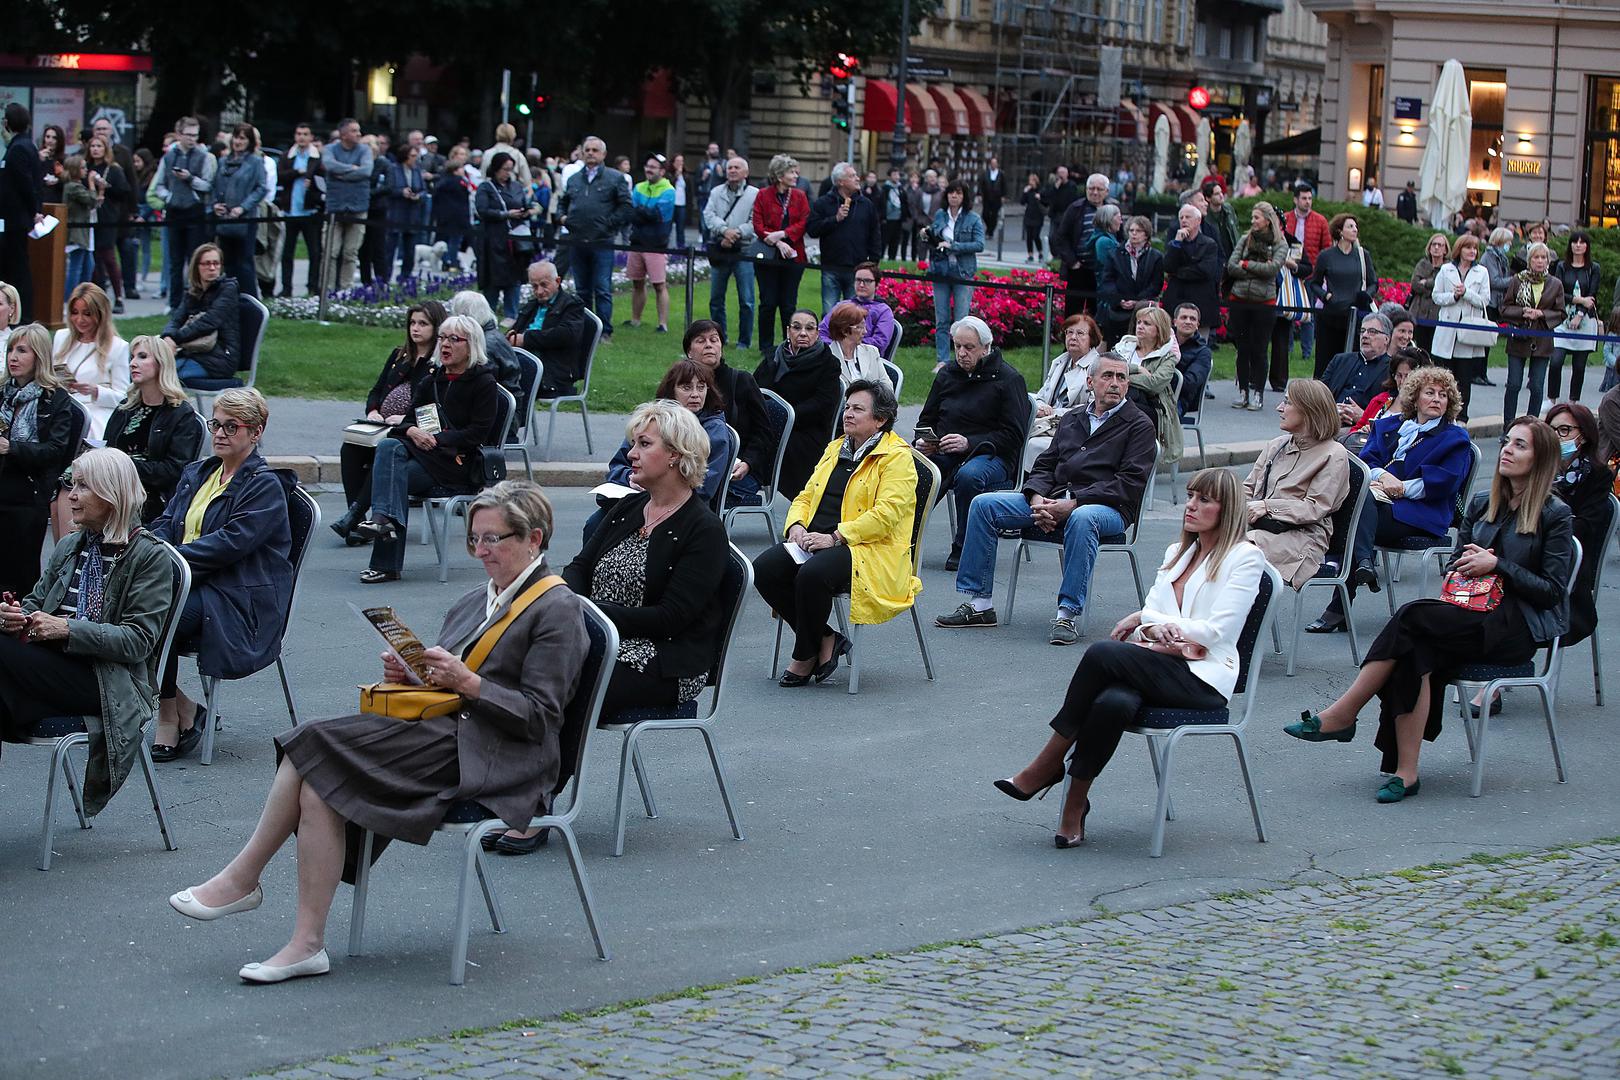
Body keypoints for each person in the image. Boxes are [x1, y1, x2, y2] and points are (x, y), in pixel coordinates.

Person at [168, 479, 588, 976]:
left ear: (534, 540)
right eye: (474, 538)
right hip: (452, 733)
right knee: (318, 774)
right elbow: (452, 677)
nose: (480, 552)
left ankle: (246, 880)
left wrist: (469, 684)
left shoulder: (556, 609)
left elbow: (542, 718)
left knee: (313, 746)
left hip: (499, 757)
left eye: (493, 539)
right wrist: (414, 672)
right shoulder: (484, 596)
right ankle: (304, 942)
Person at [1286, 418, 1573, 804]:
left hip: (1515, 627)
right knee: (1415, 649)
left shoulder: (1555, 514)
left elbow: (1553, 593)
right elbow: (1455, 564)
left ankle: (1344, 713)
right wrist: (1465, 566)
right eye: (1507, 441)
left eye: (1520, 445)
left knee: (1411, 617)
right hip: (1467, 613)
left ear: (1541, 459)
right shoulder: (1483, 504)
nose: (1507, 449)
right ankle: (1406, 774)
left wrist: (1499, 565)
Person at [995, 468, 1267, 845]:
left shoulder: (1245, 559)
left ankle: (1048, 762)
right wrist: (1153, 625)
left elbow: (1219, 630)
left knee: (1103, 652)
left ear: (1229, 509)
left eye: (1204, 500)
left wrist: (1151, 621)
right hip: (1159, 663)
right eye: (1190, 496)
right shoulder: (1177, 553)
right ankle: (1075, 804)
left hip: (1203, 679)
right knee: (1113, 701)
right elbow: (1151, 618)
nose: (1190, 505)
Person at [0, 448, 180, 818]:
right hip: (54, 667)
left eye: (83, 486)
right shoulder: (71, 545)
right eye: (72, 484)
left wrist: (66, 629)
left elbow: (137, 641)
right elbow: (36, 602)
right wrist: (14, 617)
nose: (72, 495)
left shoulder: (149, 556)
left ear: (112, 495)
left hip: (107, 679)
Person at [938, 352, 1155, 644]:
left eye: (1121, 377)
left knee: (1082, 517)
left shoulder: (1139, 425)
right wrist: (1037, 498)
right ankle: (979, 605)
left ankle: (1067, 613)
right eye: (1107, 376)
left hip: (1107, 510)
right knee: (984, 504)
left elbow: (1128, 484)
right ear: (1090, 382)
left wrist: (1073, 502)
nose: (1115, 383)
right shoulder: (1074, 418)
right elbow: (1045, 464)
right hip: (1053, 500)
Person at [147, 388, 293, 760]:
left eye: (232, 426)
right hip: (188, 582)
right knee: (126, 609)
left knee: (151, 617)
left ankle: (168, 714)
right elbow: (166, 522)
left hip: (234, 595)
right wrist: (152, 549)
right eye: (216, 424)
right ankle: (184, 707)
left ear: (256, 433)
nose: (220, 433)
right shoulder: (199, 472)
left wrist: (170, 560)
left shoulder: (264, 485)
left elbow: (230, 545)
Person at [563, 401, 727, 715]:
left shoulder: (704, 530)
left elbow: (671, 618)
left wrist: (591, 616)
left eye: (644, 444)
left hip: (663, 660)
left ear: (675, 455)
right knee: (517, 662)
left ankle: (558, 766)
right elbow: (580, 568)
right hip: (601, 637)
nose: (631, 454)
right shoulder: (629, 507)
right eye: (634, 443)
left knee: (551, 682)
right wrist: (562, 602)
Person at [755, 380, 919, 685]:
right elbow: (806, 495)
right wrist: (796, 525)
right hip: (815, 538)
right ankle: (826, 637)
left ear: (880, 419)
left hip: (867, 546)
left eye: (858, 409)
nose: (848, 414)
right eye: (847, 407)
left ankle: (804, 654)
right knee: (763, 569)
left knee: (812, 575)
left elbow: (886, 515)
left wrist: (835, 537)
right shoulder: (836, 447)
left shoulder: (897, 457)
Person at [1307, 366, 1473, 634]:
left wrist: (1401, 488)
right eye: (1429, 392)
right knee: (1360, 505)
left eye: (1443, 395)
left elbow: (1445, 482)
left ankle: (1346, 570)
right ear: (1415, 398)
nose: (1437, 399)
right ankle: (1361, 566)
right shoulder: (1391, 425)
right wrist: (1384, 477)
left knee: (1359, 510)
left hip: (1422, 512)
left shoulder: (1454, 438)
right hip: (1380, 504)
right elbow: (1366, 461)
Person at [349, 313, 500, 583]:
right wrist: (412, 431)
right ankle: (383, 522)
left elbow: (479, 433)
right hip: (423, 458)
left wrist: (438, 439)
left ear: (471, 345)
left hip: (457, 464)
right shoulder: (432, 380)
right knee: (390, 447)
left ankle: (384, 545)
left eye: (454, 339)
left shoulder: (483, 383)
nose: (445, 344)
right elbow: (406, 422)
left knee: (393, 467)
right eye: (442, 338)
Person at [914, 316, 1031, 569]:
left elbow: (1014, 436)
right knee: (916, 469)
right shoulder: (947, 375)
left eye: (969, 347)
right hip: (946, 449)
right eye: (957, 346)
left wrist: (969, 442)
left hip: (993, 455)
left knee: (968, 476)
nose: (961, 353)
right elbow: (927, 418)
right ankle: (906, 541)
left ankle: (965, 547)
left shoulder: (1008, 379)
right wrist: (924, 440)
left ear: (986, 347)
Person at [329, 301, 446, 542]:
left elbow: (433, 408)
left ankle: (354, 517)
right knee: (351, 447)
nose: (416, 329)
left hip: (411, 433)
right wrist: (373, 410)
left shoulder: (437, 365)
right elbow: (377, 390)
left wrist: (404, 419)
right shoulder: (399, 355)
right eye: (412, 323)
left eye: (423, 324)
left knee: (385, 450)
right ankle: (358, 521)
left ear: (436, 328)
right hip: (381, 425)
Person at [590, 362, 734, 538]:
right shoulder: (653, 421)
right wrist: (630, 478)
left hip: (678, 510)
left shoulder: (713, 431)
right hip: (638, 499)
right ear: (671, 390)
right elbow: (617, 466)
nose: (695, 394)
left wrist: (652, 487)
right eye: (686, 387)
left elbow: (702, 487)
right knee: (595, 524)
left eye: (701, 387)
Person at [1242, 379, 1352, 588]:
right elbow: (1248, 488)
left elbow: (1314, 507)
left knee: (1236, 551)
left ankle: (1242, 617)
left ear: (1309, 410)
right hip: (1261, 527)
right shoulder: (1277, 445)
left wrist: (1267, 506)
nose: (1279, 408)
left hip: (1302, 539)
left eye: (1287, 402)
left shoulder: (1333, 454)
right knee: (1205, 536)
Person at [0, 324, 77, 598]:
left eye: (22, 350)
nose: (13, 357)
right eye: (10, 349)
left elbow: (56, 450)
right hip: (4, 480)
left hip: (29, 489)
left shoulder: (54, 399)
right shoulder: (4, 393)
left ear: (39, 357)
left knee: (16, 572)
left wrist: (12, 448)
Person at [99, 336, 204, 522]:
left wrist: (125, 467)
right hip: (115, 485)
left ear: (161, 364)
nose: (133, 363)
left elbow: (174, 470)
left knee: (88, 499)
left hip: (152, 494)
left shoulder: (180, 414)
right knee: (66, 487)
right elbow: (107, 448)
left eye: (142, 357)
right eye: (132, 357)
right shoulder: (126, 408)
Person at [754, 310, 844, 496]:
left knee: (770, 445)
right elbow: (756, 392)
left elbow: (823, 405)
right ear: (788, 331)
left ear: (817, 334)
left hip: (807, 431)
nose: (803, 333)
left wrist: (785, 417)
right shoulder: (775, 357)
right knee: (746, 438)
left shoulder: (828, 363)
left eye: (809, 328)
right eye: (797, 327)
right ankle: (737, 487)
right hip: (771, 425)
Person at [1545, 402, 1612, 647]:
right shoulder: (1537, 466)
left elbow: (1585, 526)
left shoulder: (1597, 474)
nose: (1555, 437)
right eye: (1550, 429)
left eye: (1564, 430)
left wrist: (1542, 529)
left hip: (1566, 563)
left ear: (1582, 436)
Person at [682, 319, 770, 504]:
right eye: (700, 340)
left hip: (738, 471)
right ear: (689, 351)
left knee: (686, 493)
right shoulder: (680, 383)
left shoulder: (742, 381)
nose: (708, 345)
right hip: (689, 466)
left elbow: (764, 432)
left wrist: (748, 462)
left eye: (714, 340)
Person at [559, 137, 633, 340]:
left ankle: (604, 331)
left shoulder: (615, 178)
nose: (590, 153)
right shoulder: (574, 179)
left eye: (595, 150)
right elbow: (563, 202)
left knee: (602, 288)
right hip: (577, 240)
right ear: (582, 153)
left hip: (602, 241)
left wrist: (609, 224)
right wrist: (563, 218)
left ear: (603, 154)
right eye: (587, 150)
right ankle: (584, 330)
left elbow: (626, 206)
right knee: (581, 290)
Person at [1225, 202, 1289, 411]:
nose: (1253, 221)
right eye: (1252, 217)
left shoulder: (1280, 244)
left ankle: (1258, 393)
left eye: (1256, 218)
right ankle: (1243, 391)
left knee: (1260, 350)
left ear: (1267, 220)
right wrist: (1254, 269)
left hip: (1264, 302)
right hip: (1240, 299)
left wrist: (1246, 265)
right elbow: (1232, 266)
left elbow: (1272, 270)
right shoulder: (1245, 239)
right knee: (1242, 348)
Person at [153, 117, 218, 312]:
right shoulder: (169, 156)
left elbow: (208, 184)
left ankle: (195, 302)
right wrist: (169, 197)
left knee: (195, 260)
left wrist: (190, 179)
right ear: (179, 134)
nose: (192, 139)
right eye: (188, 135)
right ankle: (173, 303)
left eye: (195, 135)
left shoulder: (204, 156)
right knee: (174, 260)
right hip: (174, 211)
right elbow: (159, 185)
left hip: (194, 211)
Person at [51, 282, 130, 442]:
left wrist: (96, 391)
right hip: (60, 407)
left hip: (94, 412)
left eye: (87, 314)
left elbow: (124, 399)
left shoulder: (117, 347)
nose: (80, 320)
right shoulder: (61, 337)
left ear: (100, 314)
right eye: (75, 312)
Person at [751, 154, 811, 353]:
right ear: (779, 175)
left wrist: (784, 234)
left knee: (788, 304)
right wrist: (778, 242)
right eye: (791, 172)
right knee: (767, 303)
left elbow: (803, 222)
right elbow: (758, 225)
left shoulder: (800, 196)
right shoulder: (763, 194)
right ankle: (765, 347)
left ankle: (790, 346)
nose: (796, 175)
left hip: (794, 257)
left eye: (796, 171)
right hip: (768, 256)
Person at [1027, 314, 1102, 469]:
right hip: (1046, 422)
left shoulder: (1097, 366)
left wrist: (1053, 412)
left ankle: (1031, 486)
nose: (1073, 337)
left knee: (1034, 444)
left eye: (1080, 333)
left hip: (1074, 427)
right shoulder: (1061, 361)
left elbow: (1093, 407)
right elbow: (1042, 395)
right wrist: (1041, 407)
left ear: (1092, 339)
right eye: (1069, 332)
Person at [1501, 241, 1565, 422]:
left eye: (1543, 257)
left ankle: (1532, 425)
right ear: (1530, 260)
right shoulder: (1518, 280)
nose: (1540, 261)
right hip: (1519, 337)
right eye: (1536, 257)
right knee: (1513, 384)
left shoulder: (1555, 284)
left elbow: (1561, 313)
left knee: (1537, 386)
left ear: (1548, 261)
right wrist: (1523, 312)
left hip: (1542, 341)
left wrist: (1541, 314)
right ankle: (1508, 425)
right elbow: (1504, 308)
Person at [926, 182, 986, 369]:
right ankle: (942, 360)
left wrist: (954, 245)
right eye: (951, 192)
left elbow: (979, 244)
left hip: (963, 272)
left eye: (958, 193)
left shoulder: (973, 218)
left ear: (964, 196)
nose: (954, 196)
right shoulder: (940, 215)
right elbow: (935, 237)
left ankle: (962, 360)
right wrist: (927, 234)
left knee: (962, 320)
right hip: (941, 271)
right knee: (941, 319)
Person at [161, 244, 241, 384]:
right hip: (193, 353)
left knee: (162, 378)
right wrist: (167, 336)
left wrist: (175, 339)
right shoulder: (192, 292)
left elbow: (209, 322)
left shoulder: (229, 288)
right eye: (206, 263)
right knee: (147, 368)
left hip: (219, 359)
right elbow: (176, 319)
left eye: (216, 263)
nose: (212, 268)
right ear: (196, 267)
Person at [1308, 213, 1376, 378]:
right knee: (1325, 361)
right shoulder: (1326, 256)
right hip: (1330, 316)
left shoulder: (1362, 255)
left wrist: (1365, 296)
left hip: (1353, 317)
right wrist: (1326, 296)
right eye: (1350, 226)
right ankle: (1319, 397)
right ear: (1340, 231)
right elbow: (1313, 283)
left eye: (1356, 226)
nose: (1355, 230)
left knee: (1350, 361)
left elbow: (1374, 283)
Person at [807, 163, 882, 313]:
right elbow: (812, 230)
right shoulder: (823, 203)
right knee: (829, 314)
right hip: (831, 267)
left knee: (855, 315)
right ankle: (829, 338)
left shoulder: (866, 205)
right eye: (852, 176)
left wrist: (873, 262)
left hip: (857, 269)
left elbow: (875, 235)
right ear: (841, 181)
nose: (857, 178)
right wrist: (835, 219)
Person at [508, 261, 589, 398]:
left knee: (504, 380)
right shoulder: (532, 305)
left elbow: (567, 334)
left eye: (544, 285)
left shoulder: (572, 305)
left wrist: (526, 339)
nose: (539, 291)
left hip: (552, 372)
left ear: (557, 281)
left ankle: (516, 418)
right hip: (526, 362)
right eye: (534, 286)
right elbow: (515, 331)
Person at [702, 157, 759, 350]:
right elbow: (708, 215)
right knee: (716, 299)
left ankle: (744, 341)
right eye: (730, 168)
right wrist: (724, 230)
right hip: (721, 249)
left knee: (747, 300)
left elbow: (756, 221)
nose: (732, 170)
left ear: (745, 172)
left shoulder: (754, 194)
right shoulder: (716, 192)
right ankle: (720, 338)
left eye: (737, 167)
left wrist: (737, 233)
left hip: (744, 251)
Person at [1116, 305, 1183, 464]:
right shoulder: (1124, 347)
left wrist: (1122, 377)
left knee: (1129, 400)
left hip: (1153, 409)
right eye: (1139, 322)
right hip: (1121, 403)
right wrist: (1136, 368)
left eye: (1147, 323)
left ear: (1159, 329)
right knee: (1125, 402)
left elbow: (1155, 384)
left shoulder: (1167, 356)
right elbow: (1105, 369)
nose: (1140, 326)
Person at [474, 153, 535, 322]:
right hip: (492, 242)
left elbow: (526, 203)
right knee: (492, 281)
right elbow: (482, 210)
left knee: (514, 278)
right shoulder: (486, 188)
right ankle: (487, 318)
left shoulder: (516, 186)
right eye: (504, 169)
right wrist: (505, 214)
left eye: (510, 169)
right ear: (495, 169)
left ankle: (512, 316)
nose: (508, 173)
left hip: (515, 242)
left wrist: (528, 211)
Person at [211, 124, 269, 298]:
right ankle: (229, 299)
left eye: (243, 138)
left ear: (249, 141)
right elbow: (216, 186)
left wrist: (243, 207)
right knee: (227, 262)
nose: (238, 141)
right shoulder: (222, 161)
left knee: (244, 262)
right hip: (225, 218)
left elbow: (261, 188)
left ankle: (250, 299)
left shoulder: (256, 161)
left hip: (246, 219)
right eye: (236, 137)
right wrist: (216, 204)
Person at [622, 153, 675, 333]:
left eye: (653, 167)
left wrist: (640, 212)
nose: (648, 169)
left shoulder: (668, 190)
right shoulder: (639, 187)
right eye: (647, 166)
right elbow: (630, 213)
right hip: (637, 242)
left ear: (662, 171)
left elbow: (657, 216)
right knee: (637, 282)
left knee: (659, 284)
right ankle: (635, 319)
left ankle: (662, 324)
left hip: (656, 244)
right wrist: (643, 213)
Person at [1549, 229, 1602, 403]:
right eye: (1575, 242)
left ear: (1587, 246)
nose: (1578, 246)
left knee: (1579, 366)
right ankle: (1552, 398)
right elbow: (1558, 292)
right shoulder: (1562, 267)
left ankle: (1573, 401)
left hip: (1585, 321)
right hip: (1563, 319)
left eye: (1582, 242)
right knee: (1556, 361)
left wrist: (1580, 314)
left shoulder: (1593, 269)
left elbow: (1592, 296)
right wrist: (1579, 299)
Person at [1, 105, 43, 321]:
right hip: (16, 220)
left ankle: (23, 316)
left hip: (15, 221)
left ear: (8, 123)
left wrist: (35, 210)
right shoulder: (26, 145)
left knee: (17, 270)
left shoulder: (18, 148)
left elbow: (26, 184)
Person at [1051, 173, 1113, 317]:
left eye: (1099, 189)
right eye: (1091, 188)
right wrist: (1072, 262)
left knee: (1097, 313)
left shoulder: (1112, 209)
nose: (1095, 192)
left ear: (1106, 191)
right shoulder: (1076, 208)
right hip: (1078, 270)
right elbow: (1061, 236)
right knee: (1073, 312)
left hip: (1102, 272)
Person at [275, 123, 323, 297]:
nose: (302, 137)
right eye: (299, 133)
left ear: (311, 137)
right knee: (287, 252)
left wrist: (313, 185)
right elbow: (280, 177)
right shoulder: (287, 156)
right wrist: (297, 172)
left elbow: (324, 181)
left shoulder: (317, 157)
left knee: (315, 252)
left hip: (310, 211)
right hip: (290, 211)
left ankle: (313, 286)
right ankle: (286, 287)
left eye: (305, 134)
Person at [1099, 215, 1163, 344]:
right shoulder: (1115, 253)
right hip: (1118, 310)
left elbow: (1156, 284)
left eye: (1138, 231)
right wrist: (1119, 299)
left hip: (1143, 307)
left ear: (1146, 234)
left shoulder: (1155, 256)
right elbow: (1107, 280)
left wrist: (1137, 301)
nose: (1134, 234)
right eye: (1131, 230)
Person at [1321, 311, 1394, 423]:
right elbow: (1318, 394)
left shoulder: (1392, 368)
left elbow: (1391, 411)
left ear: (1386, 339)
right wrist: (1332, 412)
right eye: (1362, 331)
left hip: (1362, 428)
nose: (1364, 336)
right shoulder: (1340, 360)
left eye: (1372, 332)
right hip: (1329, 420)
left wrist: (1363, 416)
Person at [86, 133, 131, 312]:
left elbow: (124, 191)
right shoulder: (87, 167)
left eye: (99, 146)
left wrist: (106, 188)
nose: (95, 149)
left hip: (107, 216)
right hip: (89, 217)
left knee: (108, 257)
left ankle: (118, 296)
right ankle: (98, 296)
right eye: (93, 146)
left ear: (105, 149)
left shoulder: (113, 169)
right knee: (93, 258)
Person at [1346, 347, 1423, 450]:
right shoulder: (1380, 400)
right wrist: (1362, 432)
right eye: (1399, 375)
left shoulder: (1422, 408)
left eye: (1408, 376)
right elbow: (1354, 431)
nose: (1403, 381)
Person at [1161, 204, 1221, 335]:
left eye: (1187, 217)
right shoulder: (1174, 244)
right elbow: (1168, 266)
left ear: (1198, 221)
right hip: (1176, 298)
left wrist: (1178, 272)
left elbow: (1206, 270)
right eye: (1181, 217)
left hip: (1201, 300)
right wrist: (1176, 243)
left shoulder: (1209, 244)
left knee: (1200, 344)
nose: (1183, 220)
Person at [818, 263, 896, 355]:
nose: (861, 284)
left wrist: (847, 346)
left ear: (877, 284)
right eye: (858, 280)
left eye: (867, 281)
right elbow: (821, 332)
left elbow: (880, 343)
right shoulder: (841, 306)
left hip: (866, 360)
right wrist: (836, 348)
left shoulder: (883, 311)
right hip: (833, 355)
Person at [382, 143, 428, 284]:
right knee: (390, 249)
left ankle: (405, 278)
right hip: (396, 212)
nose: (415, 159)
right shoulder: (393, 169)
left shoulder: (417, 170)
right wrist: (401, 192)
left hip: (412, 213)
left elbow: (424, 190)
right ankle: (385, 278)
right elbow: (388, 189)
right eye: (413, 156)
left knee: (410, 250)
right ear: (405, 156)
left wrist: (418, 196)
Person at [824, 301, 890, 390]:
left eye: (865, 326)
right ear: (844, 330)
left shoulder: (872, 352)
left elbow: (887, 386)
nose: (865, 332)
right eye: (860, 327)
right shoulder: (826, 357)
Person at [1408, 233, 1450, 355]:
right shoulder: (1422, 264)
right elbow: (1415, 285)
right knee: (1420, 350)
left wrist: (1426, 282)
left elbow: (1445, 286)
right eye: (1434, 244)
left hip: (1437, 315)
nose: (1436, 247)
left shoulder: (1448, 267)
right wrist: (1433, 289)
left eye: (1440, 245)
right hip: (1419, 313)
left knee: (1434, 352)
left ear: (1445, 249)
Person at [1172, 303, 1213, 420]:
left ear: (1197, 325)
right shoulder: (1163, 341)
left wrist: (1162, 377)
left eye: (1192, 319)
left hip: (1178, 401)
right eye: (1184, 317)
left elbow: (1189, 384)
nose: (1188, 321)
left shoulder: (1203, 352)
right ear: (1175, 321)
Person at [1020, 172, 1046, 263]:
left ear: (1036, 181)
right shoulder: (1028, 191)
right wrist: (1024, 192)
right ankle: (1030, 255)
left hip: (1038, 216)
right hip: (1029, 215)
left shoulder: (1041, 190)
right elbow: (1022, 202)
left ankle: (1040, 252)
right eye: (1029, 181)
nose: (1030, 182)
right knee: (1029, 237)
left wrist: (1040, 197)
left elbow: (1046, 201)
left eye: (1032, 181)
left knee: (1036, 235)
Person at [979, 157, 1007, 239]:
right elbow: (981, 184)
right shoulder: (986, 173)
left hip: (997, 197)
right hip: (987, 197)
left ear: (997, 164)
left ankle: (990, 232)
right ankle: (989, 228)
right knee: (985, 214)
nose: (993, 165)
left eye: (995, 163)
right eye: (992, 163)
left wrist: (1003, 196)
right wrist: (980, 194)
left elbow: (1004, 185)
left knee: (994, 215)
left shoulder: (1001, 174)